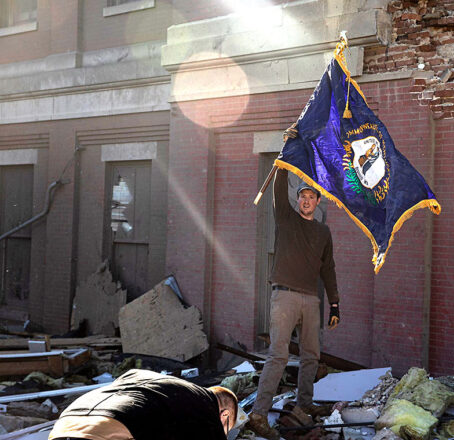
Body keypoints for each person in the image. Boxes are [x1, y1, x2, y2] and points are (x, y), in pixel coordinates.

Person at [247, 133, 341, 440]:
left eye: (311, 197)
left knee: (311, 355)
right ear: (297, 199)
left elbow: (328, 269)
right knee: (278, 355)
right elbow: (278, 184)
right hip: (284, 297)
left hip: (311, 300)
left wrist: (335, 303)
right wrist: (286, 149)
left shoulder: (323, 233)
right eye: (302, 196)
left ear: (317, 202)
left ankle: (304, 405)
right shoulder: (286, 218)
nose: (306, 200)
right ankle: (259, 414)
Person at [48, 369, 237, 440]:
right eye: (225, 429)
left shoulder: (174, 393)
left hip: (63, 425)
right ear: (224, 415)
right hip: (108, 429)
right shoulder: (206, 407)